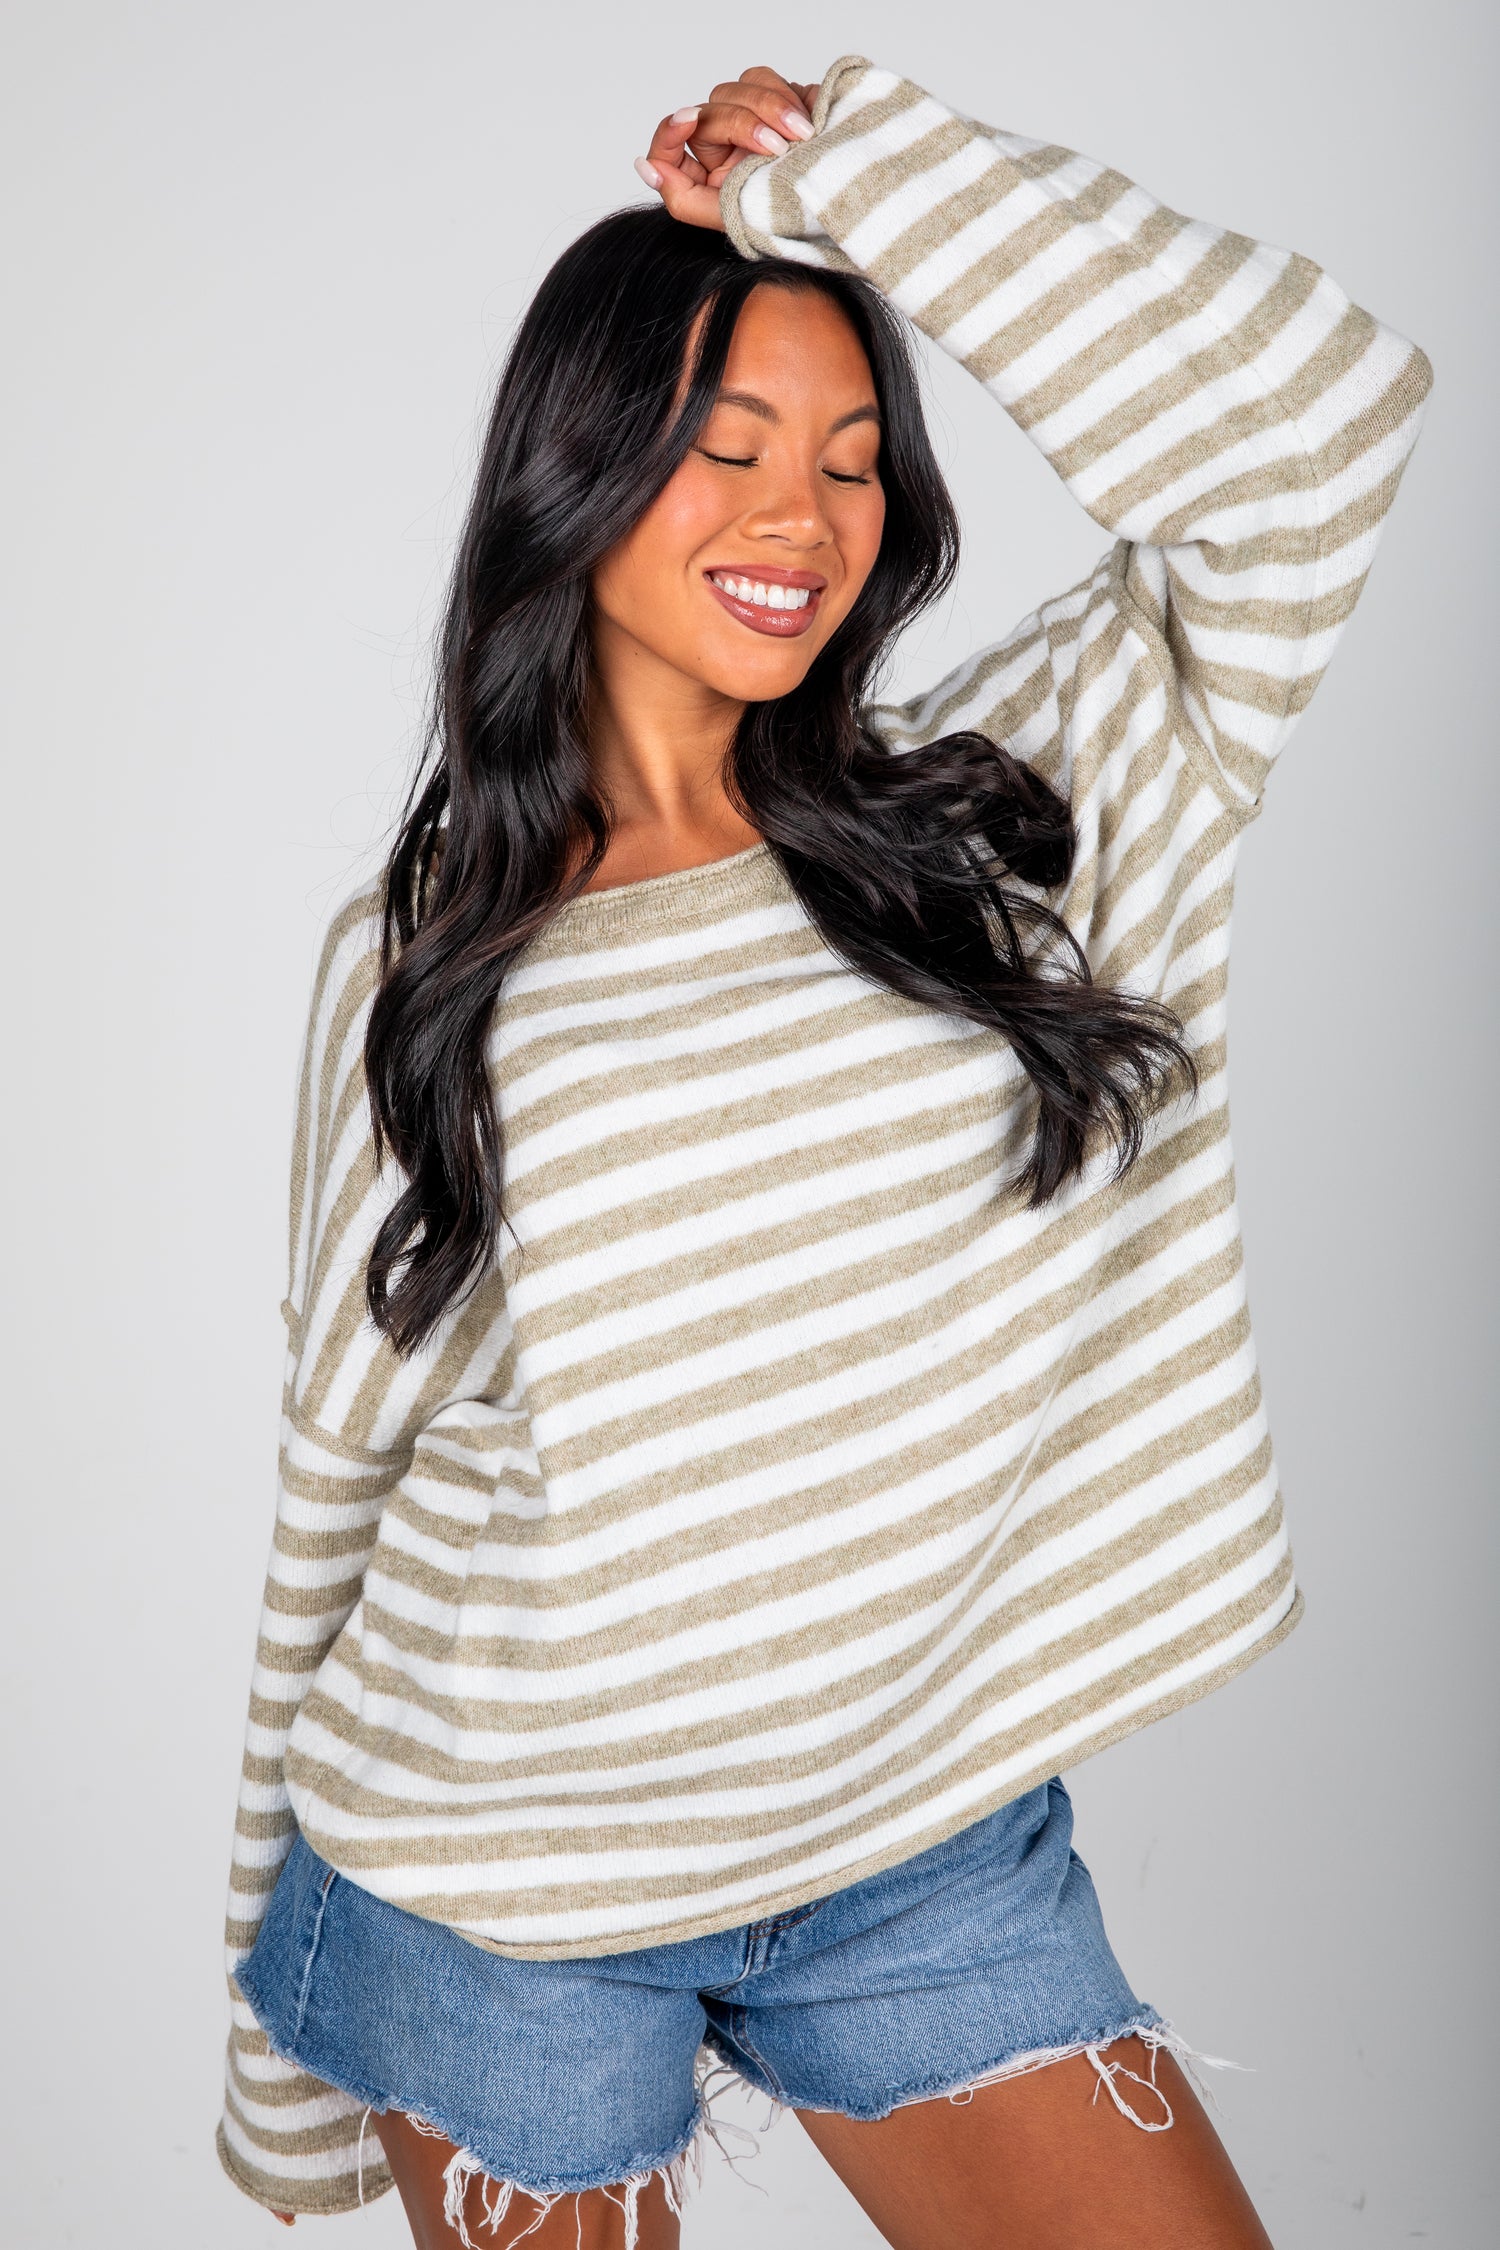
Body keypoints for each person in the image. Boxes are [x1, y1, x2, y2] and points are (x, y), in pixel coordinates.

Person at [217, 57, 1429, 2250]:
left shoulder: (1018, 815)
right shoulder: (426, 960)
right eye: (728, 445)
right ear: (582, 466)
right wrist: (278, 2032)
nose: (803, 516)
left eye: (856, 460)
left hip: (917, 1850)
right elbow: (340, 1469)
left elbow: (1320, 420)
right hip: (507, 1883)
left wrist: (863, 182)